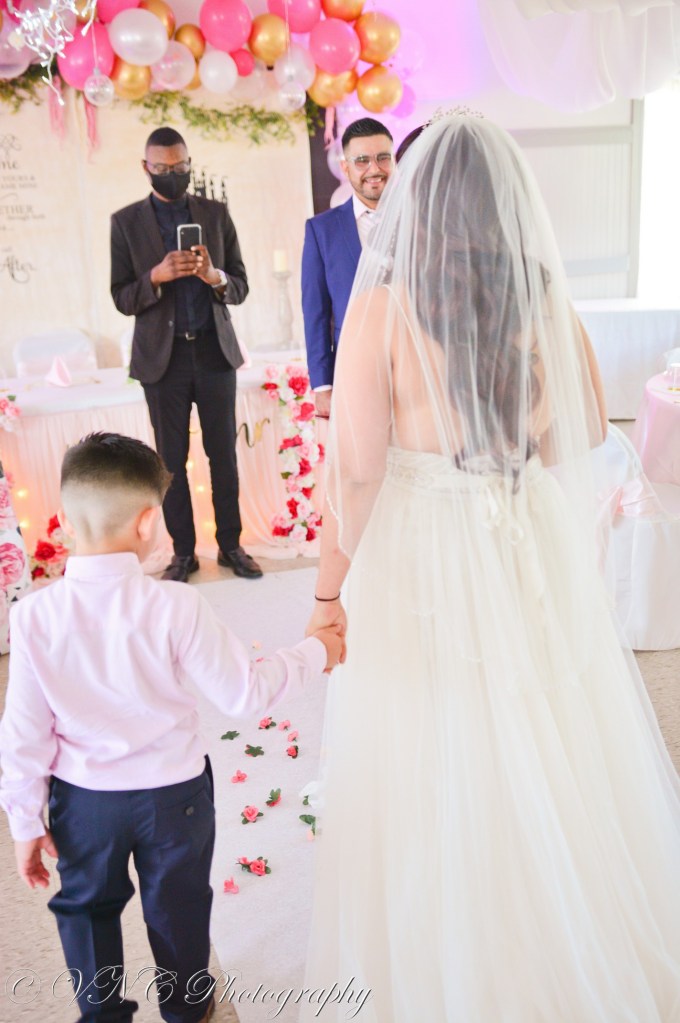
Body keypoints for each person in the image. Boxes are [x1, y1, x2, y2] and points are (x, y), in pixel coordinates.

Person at [302, 115, 680, 1020]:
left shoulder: (383, 305)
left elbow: (356, 472)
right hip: (517, 534)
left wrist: (325, 594)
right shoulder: (542, 298)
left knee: (428, 732)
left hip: (419, 544)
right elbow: (583, 433)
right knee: (540, 721)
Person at [0, 432, 344, 1023]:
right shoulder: (176, 606)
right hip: (174, 798)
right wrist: (318, 650)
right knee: (180, 907)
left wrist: (24, 821)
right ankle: (187, 1010)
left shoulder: (32, 615)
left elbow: (23, 734)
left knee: (86, 909)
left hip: (84, 803)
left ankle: (101, 1015)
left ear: (67, 518)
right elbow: (243, 692)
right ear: (147, 521)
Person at [111, 125, 263, 584]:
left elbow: (240, 285)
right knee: (170, 464)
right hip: (163, 363)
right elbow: (121, 297)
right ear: (146, 168)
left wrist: (214, 276)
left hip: (215, 355)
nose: (172, 174)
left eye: (180, 167)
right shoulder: (125, 222)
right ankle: (183, 553)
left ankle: (231, 546)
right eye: (162, 168)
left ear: (189, 164)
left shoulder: (215, 214)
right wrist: (155, 277)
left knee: (223, 457)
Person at [301, 118, 394, 419]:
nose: (374, 169)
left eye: (383, 158)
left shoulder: (419, 219)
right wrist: (323, 385)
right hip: (353, 370)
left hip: (416, 366)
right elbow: (315, 311)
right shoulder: (321, 230)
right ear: (345, 167)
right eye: (362, 160)